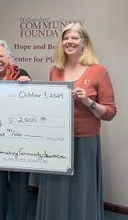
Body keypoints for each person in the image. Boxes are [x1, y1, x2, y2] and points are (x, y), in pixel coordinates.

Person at [36, 23, 117, 220]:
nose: (70, 42)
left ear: (84, 42)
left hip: (84, 142)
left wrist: (88, 101)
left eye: (75, 37)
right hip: (57, 142)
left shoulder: (99, 71)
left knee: (82, 191)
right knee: (57, 190)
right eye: (66, 38)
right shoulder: (55, 70)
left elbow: (110, 112)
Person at [0, 39, 31, 220]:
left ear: (8, 57)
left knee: (20, 193)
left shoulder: (22, 76)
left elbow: (33, 108)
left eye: (0, 55)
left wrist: (30, 86)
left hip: (20, 144)